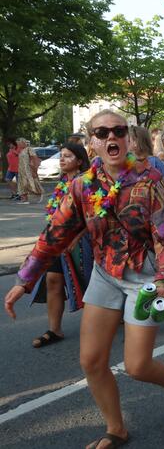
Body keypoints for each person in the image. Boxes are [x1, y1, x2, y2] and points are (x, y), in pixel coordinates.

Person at [4, 110, 164, 448]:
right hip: (105, 276)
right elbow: (54, 235)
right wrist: (24, 279)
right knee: (90, 360)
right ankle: (116, 428)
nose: (111, 138)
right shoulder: (82, 185)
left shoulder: (150, 179)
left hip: (146, 278)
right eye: (101, 133)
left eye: (118, 131)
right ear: (91, 142)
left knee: (136, 365)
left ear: (129, 138)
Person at [28, 143, 92, 348]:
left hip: (84, 244)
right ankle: (55, 329)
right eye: (61, 156)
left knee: (92, 285)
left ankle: (108, 318)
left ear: (80, 161)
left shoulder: (88, 182)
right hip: (59, 244)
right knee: (53, 279)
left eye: (68, 156)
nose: (62, 160)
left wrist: (76, 238)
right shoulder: (62, 183)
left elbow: (94, 217)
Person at [16, 138, 43, 204]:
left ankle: (39, 193)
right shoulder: (22, 150)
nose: (18, 145)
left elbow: (34, 158)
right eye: (18, 144)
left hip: (28, 170)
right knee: (22, 184)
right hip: (22, 171)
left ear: (23, 143)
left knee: (29, 183)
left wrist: (34, 169)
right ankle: (25, 199)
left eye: (19, 143)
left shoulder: (29, 149)